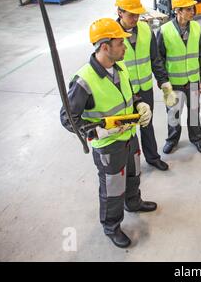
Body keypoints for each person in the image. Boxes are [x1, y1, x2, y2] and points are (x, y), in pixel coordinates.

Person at [60, 18, 157, 248]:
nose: (125, 47)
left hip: (128, 137)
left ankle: (133, 202)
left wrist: (139, 104)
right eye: (120, 43)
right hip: (108, 146)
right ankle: (111, 226)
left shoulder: (120, 67)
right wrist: (95, 131)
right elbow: (67, 118)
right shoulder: (85, 81)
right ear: (105, 47)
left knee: (133, 174)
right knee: (113, 189)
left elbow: (128, 95)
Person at [115, 0, 177, 171]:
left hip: (145, 88)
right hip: (124, 93)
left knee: (146, 124)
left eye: (137, 14)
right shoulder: (112, 35)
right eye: (131, 14)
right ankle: (129, 166)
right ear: (120, 12)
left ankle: (152, 157)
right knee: (126, 130)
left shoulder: (145, 29)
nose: (135, 18)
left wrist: (164, 84)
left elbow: (155, 59)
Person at [156, 0, 201, 154]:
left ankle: (197, 138)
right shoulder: (164, 31)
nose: (192, 11)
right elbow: (159, 59)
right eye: (188, 9)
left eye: (192, 8)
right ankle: (172, 140)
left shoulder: (197, 28)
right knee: (173, 114)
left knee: (194, 112)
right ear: (177, 11)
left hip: (193, 80)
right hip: (173, 82)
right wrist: (163, 83)